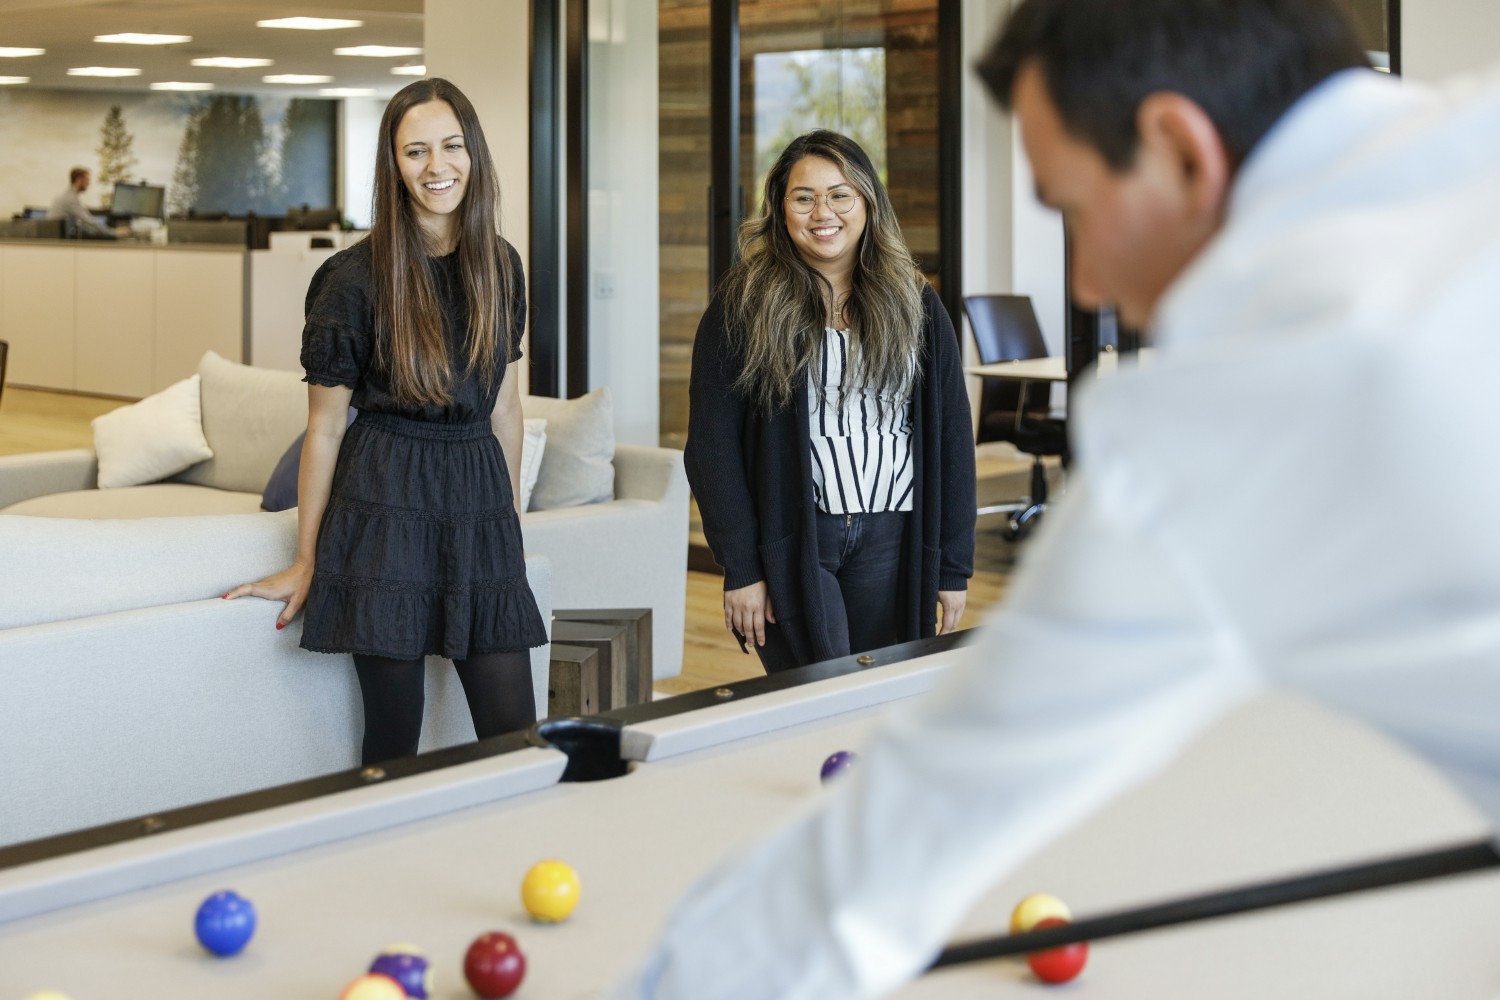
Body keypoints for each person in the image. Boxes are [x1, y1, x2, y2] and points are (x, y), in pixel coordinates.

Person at [609, 1, 1500, 997]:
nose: (1085, 276)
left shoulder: (1228, 398)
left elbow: (931, 809)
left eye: (1071, 208)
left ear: (1179, 148)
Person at [227, 78, 547, 765]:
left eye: (452, 146)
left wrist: (509, 523)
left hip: (477, 498)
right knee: (393, 741)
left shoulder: (503, 266)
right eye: (416, 152)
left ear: (475, 153)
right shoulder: (352, 278)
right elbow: (325, 428)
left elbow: (506, 409)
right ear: (393, 165)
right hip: (383, 503)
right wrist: (308, 557)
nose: (438, 167)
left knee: (517, 736)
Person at [685, 130, 976, 673]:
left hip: (893, 535)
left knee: (879, 692)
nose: (824, 211)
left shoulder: (915, 301)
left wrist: (952, 568)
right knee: (815, 691)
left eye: (840, 194)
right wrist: (742, 567)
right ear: (780, 208)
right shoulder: (743, 303)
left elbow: (953, 435)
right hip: (795, 535)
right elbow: (711, 446)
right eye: (804, 197)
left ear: (867, 201)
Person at [46, 167, 120, 238]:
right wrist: (114, 232)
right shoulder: (70, 198)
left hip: (58, 238)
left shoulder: (69, 195)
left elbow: (83, 223)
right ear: (79, 180)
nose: (89, 183)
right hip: (58, 242)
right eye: (87, 179)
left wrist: (96, 232)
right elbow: (88, 220)